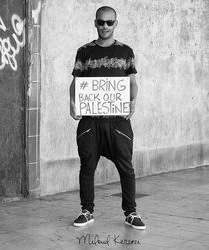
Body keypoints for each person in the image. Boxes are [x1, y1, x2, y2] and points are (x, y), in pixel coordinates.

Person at [69, 6, 146, 230]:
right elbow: (76, 83)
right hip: (90, 121)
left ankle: (131, 213)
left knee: (126, 167)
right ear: (95, 23)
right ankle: (86, 211)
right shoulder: (83, 51)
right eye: (101, 22)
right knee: (87, 167)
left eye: (109, 23)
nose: (105, 26)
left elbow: (132, 83)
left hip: (118, 121)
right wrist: (72, 103)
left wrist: (132, 102)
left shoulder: (125, 52)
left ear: (115, 24)